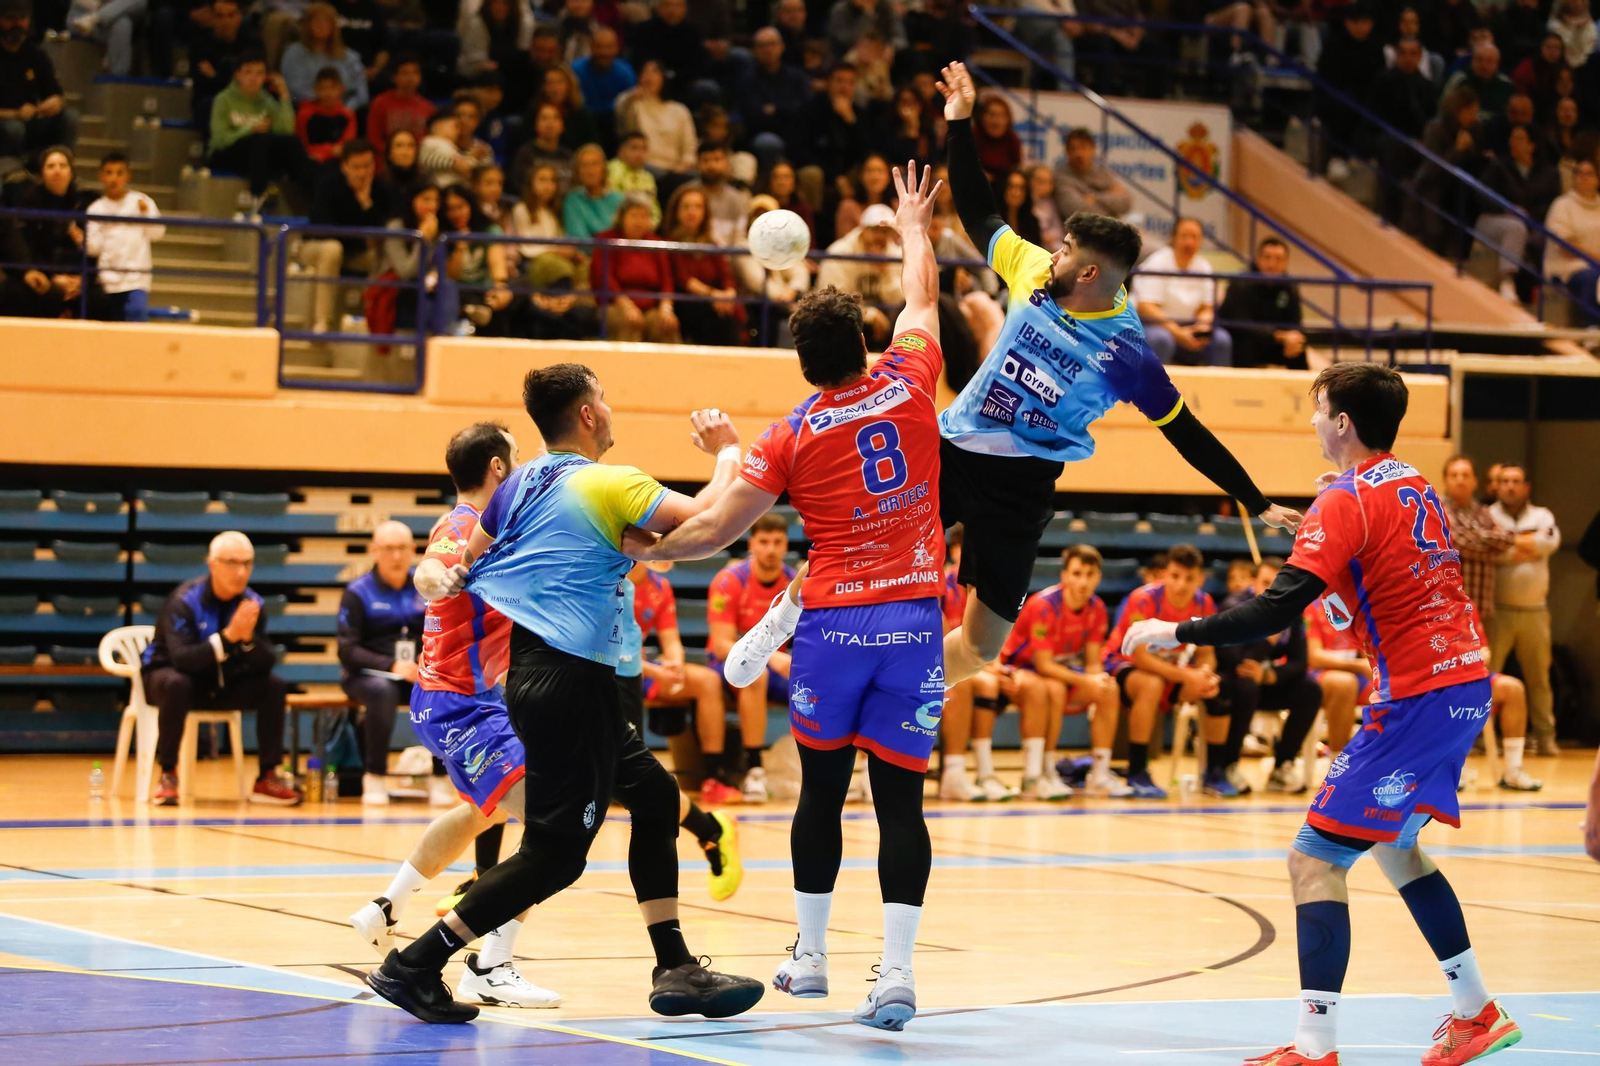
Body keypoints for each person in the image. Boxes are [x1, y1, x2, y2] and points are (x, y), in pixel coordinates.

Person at [724, 62, 1298, 715]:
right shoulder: (1033, 269)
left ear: (1087, 271)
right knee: (856, 552)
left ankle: (895, 692)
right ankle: (777, 624)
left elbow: (1186, 434)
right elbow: (979, 208)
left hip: (1024, 488)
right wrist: (959, 121)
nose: (1047, 251)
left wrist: (1254, 500)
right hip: (951, 452)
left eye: (1063, 250)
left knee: (982, 645)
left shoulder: (1126, 353)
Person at [1121, 362, 1526, 1066]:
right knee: (1397, 849)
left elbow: (1275, 609)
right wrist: (1321, 519)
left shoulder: (1345, 502)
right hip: (1463, 683)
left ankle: (1314, 1047)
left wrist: (1173, 630)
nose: (1311, 421)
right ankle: (1478, 1012)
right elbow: (1371, 562)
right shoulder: (1410, 482)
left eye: (1317, 411)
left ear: (1342, 423)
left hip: (1418, 694)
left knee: (1313, 858)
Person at [625, 161, 948, 1031]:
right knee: (901, 804)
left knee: (819, 791)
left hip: (835, 624)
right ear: (867, 343)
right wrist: (915, 224)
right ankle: (899, 975)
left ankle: (809, 959)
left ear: (804, 365)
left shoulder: (793, 434)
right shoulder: (914, 379)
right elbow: (923, 300)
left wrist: (646, 554)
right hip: (917, 620)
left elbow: (718, 529)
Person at [367, 371, 764, 1025]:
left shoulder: (521, 486)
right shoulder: (607, 482)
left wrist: (440, 574)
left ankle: (675, 966)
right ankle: (415, 963)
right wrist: (726, 451)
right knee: (554, 856)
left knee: (657, 797)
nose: (611, 409)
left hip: (554, 678)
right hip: (567, 682)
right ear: (586, 414)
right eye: (604, 396)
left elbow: (466, 559)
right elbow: (710, 518)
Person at [348, 423, 562, 1008]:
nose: (519, 468)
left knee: (478, 815)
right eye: (514, 459)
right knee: (549, 830)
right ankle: (490, 964)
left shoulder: (490, 524)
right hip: (460, 705)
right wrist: (435, 580)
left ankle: (387, 905)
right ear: (496, 467)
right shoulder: (464, 524)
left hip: (470, 700)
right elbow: (429, 573)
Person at [140, 532, 301, 807]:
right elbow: (182, 659)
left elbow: (265, 662)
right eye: (232, 563)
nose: (241, 572)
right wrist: (229, 636)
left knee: (273, 685)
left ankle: (267, 776)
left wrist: (248, 639)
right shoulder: (184, 601)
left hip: (219, 683)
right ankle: (168, 774)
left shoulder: (252, 605)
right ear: (212, 564)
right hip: (168, 679)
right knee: (178, 682)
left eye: (247, 564)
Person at [1000, 546, 1131, 799]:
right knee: (1053, 688)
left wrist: (1097, 679)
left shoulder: (1097, 608)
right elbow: (1043, 665)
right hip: (1020, 669)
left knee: (1109, 689)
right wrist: (1085, 679)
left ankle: (1100, 775)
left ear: (1098, 578)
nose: (1083, 581)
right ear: (1065, 576)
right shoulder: (1044, 606)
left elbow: (1093, 661)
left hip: (1062, 673)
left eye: (1089, 574)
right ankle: (1041, 773)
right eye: (1077, 573)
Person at [337, 521, 442, 806]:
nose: (396, 556)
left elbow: (442, 631)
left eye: (402, 549)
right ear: (374, 551)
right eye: (388, 549)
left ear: (413, 550)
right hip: (367, 675)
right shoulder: (357, 593)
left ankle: (441, 777)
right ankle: (374, 776)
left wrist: (429, 655)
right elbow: (347, 650)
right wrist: (391, 665)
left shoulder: (426, 586)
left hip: (418, 674)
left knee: (442, 689)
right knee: (382, 692)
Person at [1103, 544, 1221, 798]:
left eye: (1189, 579)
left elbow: (1207, 655)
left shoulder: (1204, 603)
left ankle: (1214, 771)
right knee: (1151, 684)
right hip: (1122, 663)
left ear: (1200, 579)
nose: (1181, 585)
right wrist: (1188, 675)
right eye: (1175, 576)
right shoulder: (1143, 599)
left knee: (1215, 688)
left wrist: (1205, 674)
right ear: (1165, 574)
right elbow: (1141, 657)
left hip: (1169, 669)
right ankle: (1137, 771)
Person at [703, 513, 797, 803]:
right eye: (764, 541)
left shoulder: (796, 583)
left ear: (786, 546)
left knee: (829, 678)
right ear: (751, 543)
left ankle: (851, 770)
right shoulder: (729, 580)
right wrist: (769, 657)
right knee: (757, 672)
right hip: (728, 667)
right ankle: (754, 768)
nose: (770, 549)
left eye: (777, 542)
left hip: (779, 667)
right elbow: (721, 644)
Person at [1213, 555, 1323, 795]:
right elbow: (1235, 658)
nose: (1273, 590)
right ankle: (1228, 764)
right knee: (1247, 684)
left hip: (1264, 683)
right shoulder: (1235, 605)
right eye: (1265, 582)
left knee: (1309, 689)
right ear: (1253, 582)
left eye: (1279, 584)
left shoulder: (1291, 611)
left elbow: (1300, 662)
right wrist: (1266, 641)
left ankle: (1282, 766)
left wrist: (1271, 675)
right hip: (1231, 682)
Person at [627, 563, 734, 804]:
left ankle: (712, 778)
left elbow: (671, 640)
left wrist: (674, 664)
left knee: (708, 680)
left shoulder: (659, 586)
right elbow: (615, 652)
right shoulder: (612, 579)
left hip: (643, 667)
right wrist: (657, 672)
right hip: (612, 668)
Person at [1488, 463, 1562, 755]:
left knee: (1539, 679)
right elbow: (1490, 550)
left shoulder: (1542, 515)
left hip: (1535, 611)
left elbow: (1548, 544)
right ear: (1497, 486)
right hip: (1497, 611)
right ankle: (1485, 738)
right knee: (1489, 678)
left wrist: (1506, 544)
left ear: (1526, 487)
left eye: (1516, 481)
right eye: (1505, 481)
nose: (1510, 486)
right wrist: (1527, 545)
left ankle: (1546, 737)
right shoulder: (1489, 516)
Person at [208, 53, 308, 211]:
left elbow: (286, 130)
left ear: (266, 77)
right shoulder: (223, 100)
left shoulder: (267, 101)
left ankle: (305, 198)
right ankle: (258, 198)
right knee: (260, 139)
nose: (254, 78)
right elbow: (218, 141)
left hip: (257, 156)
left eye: (259, 73)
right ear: (237, 75)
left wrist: (284, 95)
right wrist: (250, 130)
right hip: (227, 154)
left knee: (292, 143)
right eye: (248, 72)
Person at [1133, 218, 1233, 367]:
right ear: (1173, 238)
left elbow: (1206, 308)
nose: (1189, 242)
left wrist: (1202, 326)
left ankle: (1220, 388)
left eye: (1194, 237)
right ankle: (1154, 388)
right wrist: (1178, 333)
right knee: (1162, 339)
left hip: (1188, 326)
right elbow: (1146, 307)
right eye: (1184, 236)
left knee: (1221, 339)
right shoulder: (1157, 262)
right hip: (1151, 325)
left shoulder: (1203, 266)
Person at [4, 146, 88, 320]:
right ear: (42, 173)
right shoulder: (28, 204)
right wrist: (53, 278)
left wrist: (80, 279)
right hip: (41, 273)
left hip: (74, 276)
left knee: (98, 299)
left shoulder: (84, 204)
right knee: (37, 293)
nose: (57, 170)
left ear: (71, 172)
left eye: (62, 165)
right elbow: (25, 247)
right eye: (51, 166)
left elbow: (92, 249)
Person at [85, 152, 164, 323]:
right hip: (107, 281)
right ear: (101, 176)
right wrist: (81, 240)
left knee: (135, 314)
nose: (114, 178)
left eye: (119, 173)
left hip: (136, 278)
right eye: (109, 172)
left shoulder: (142, 201)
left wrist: (145, 214)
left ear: (128, 176)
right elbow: (93, 249)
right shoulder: (95, 209)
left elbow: (157, 234)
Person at [663, 184, 743, 346]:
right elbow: (683, 279)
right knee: (712, 315)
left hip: (713, 301)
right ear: (677, 212)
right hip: (686, 301)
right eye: (686, 207)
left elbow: (725, 274)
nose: (692, 212)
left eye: (697, 207)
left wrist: (728, 292)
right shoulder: (671, 243)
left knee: (730, 312)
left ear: (704, 213)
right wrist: (713, 294)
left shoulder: (711, 243)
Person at [815, 203, 903, 347]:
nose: (880, 237)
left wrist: (885, 271)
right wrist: (871, 315)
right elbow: (834, 301)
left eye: (885, 232)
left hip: (885, 316)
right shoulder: (840, 253)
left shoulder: (895, 254)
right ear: (863, 230)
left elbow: (899, 300)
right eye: (875, 230)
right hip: (848, 317)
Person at [0, 0, 76, 162]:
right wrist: (14, 114)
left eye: (22, 18)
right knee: (14, 129)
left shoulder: (36, 54)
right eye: (11, 19)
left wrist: (54, 102)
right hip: (5, 122)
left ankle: (64, 168)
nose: (17, 24)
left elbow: (56, 94)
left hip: (32, 118)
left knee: (69, 117)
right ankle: (13, 175)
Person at [593, 195, 677, 342]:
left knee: (666, 324)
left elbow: (667, 280)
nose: (639, 222)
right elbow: (604, 278)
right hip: (615, 304)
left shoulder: (655, 242)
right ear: (622, 217)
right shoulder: (606, 240)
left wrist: (666, 307)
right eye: (634, 216)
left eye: (644, 216)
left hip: (650, 307)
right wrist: (626, 306)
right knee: (630, 323)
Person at [1217, 236, 1308, 369]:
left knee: (1298, 346)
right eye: (1267, 257)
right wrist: (1279, 336)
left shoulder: (1289, 287)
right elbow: (1243, 325)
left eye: (1278, 259)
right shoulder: (1240, 285)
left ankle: (1302, 388)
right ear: (1258, 259)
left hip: (1274, 342)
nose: (1272, 264)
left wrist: (1293, 339)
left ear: (1286, 263)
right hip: (1245, 341)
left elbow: (1295, 322)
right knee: (1245, 343)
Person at [616, 60, 697, 177]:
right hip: (644, 168)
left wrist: (683, 166)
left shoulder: (679, 110)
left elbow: (690, 148)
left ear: (663, 77)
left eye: (655, 72)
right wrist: (630, 98)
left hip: (676, 170)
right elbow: (621, 120)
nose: (649, 76)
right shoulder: (633, 105)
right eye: (645, 72)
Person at [281, 3, 369, 108]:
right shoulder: (293, 54)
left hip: (343, 113)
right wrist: (324, 106)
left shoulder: (349, 57)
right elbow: (293, 91)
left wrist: (345, 109)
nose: (322, 25)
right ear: (307, 25)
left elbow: (361, 93)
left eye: (327, 21)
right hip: (306, 111)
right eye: (317, 21)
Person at [1542, 158, 1600, 315]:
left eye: (1589, 173)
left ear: (1597, 178)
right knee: (1592, 277)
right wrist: (1595, 260)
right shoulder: (1562, 205)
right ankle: (1592, 329)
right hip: (1568, 267)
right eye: (1579, 173)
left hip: (1595, 265)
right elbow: (1565, 246)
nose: (1584, 177)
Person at [188, 0, 255, 132]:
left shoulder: (252, 45)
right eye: (220, 16)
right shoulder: (199, 47)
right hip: (211, 103)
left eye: (231, 15)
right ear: (212, 18)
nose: (225, 22)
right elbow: (204, 86)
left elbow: (254, 85)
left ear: (239, 18)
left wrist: (215, 77)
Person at [1053, 128, 1133, 223]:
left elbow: (1126, 202)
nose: (1078, 153)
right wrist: (1110, 199)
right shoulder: (1061, 178)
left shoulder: (1102, 173)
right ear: (1066, 152)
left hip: (1110, 229)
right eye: (1073, 149)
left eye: (1083, 147)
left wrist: (1095, 198)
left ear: (1093, 150)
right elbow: (1079, 212)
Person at [572, 26, 635, 136]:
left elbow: (629, 107)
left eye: (609, 47)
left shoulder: (626, 72)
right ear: (591, 47)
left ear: (617, 48)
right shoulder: (576, 70)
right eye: (599, 47)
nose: (604, 52)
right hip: (582, 127)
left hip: (615, 128)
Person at [366, 54, 434, 155]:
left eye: (415, 73)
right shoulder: (380, 103)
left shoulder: (428, 107)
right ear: (394, 77)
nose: (411, 78)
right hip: (386, 160)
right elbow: (374, 139)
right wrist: (393, 155)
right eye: (405, 73)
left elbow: (428, 141)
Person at [689, 143, 752, 247]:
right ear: (697, 164)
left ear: (726, 163)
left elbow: (739, 237)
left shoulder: (736, 199)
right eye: (706, 160)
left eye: (717, 160)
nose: (711, 166)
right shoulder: (686, 194)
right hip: (695, 253)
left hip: (730, 254)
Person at [562, 142, 623, 241]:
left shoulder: (619, 199)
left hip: (617, 254)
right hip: (590, 254)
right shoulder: (573, 200)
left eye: (595, 164)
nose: (590, 170)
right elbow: (579, 238)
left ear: (603, 168)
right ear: (578, 171)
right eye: (584, 165)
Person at [296, 67, 357, 165]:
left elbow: (346, 147)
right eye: (323, 88)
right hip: (311, 162)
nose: (328, 93)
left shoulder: (348, 115)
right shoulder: (304, 114)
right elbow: (301, 146)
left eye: (333, 87)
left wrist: (324, 153)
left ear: (342, 89)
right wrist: (330, 151)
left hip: (339, 162)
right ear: (316, 90)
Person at [605, 132, 660, 225]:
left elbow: (654, 210)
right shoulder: (610, 170)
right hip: (613, 225)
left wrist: (650, 225)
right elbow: (609, 204)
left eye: (644, 149)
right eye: (634, 148)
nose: (639, 153)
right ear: (621, 151)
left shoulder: (648, 177)